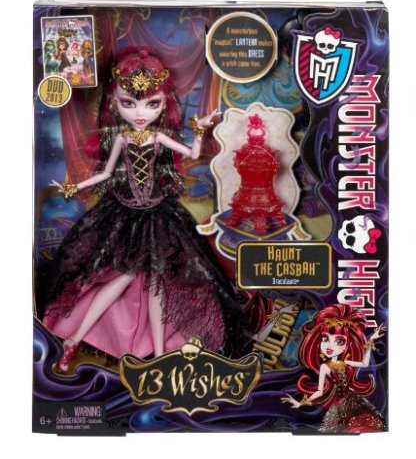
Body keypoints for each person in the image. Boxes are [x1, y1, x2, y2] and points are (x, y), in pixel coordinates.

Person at [40, 47, 244, 373]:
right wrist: (73, 188)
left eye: (152, 104)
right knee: (123, 277)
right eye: (128, 103)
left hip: (159, 214)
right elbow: (106, 173)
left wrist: (201, 128)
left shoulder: (159, 136)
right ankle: (74, 340)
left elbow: (192, 153)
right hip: (124, 215)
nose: (139, 113)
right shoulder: (121, 138)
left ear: (164, 105)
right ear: (114, 103)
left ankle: (160, 355)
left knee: (157, 282)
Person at [281, 304, 385, 433]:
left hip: (353, 401)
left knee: (365, 425)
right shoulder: (325, 367)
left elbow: (364, 363)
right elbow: (320, 391)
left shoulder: (345, 362)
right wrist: (301, 403)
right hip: (338, 405)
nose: (329, 345)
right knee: (340, 429)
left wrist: (371, 340)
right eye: (325, 339)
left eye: (339, 341)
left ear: (348, 343)